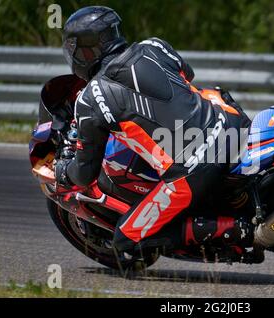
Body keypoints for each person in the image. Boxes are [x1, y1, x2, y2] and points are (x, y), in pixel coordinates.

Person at [55, 6, 253, 260]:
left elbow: (85, 172)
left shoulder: (90, 99)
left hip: (192, 172)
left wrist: (63, 171)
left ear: (86, 50)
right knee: (210, 93)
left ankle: (231, 230)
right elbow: (186, 76)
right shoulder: (154, 45)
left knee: (125, 240)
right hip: (230, 126)